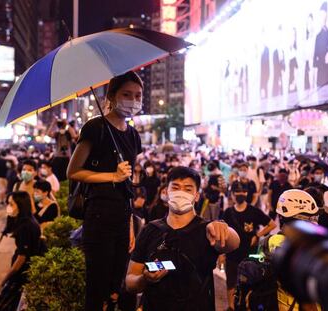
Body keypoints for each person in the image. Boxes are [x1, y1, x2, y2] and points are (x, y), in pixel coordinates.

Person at [67, 71, 143, 311]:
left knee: (117, 285)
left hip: (123, 215)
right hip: (99, 215)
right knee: (97, 286)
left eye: (138, 95)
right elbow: (73, 171)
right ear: (111, 96)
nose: (133, 100)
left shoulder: (132, 134)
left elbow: (129, 185)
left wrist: (130, 222)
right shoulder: (95, 127)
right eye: (126, 94)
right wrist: (112, 176)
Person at [125, 166, 240, 310]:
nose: (181, 193)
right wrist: (145, 279)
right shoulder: (150, 230)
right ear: (166, 192)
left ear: (196, 196)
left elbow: (234, 243)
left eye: (187, 189)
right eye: (176, 187)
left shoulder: (207, 230)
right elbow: (130, 281)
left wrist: (224, 229)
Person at [221, 181, 276, 310]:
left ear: (247, 193)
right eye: (237, 192)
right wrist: (222, 254)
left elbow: (272, 224)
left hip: (250, 255)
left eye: (243, 192)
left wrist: (258, 235)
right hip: (232, 255)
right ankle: (231, 307)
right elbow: (223, 234)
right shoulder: (228, 213)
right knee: (231, 284)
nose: (241, 194)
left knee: (251, 283)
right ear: (232, 195)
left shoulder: (254, 211)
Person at [0, 191, 42, 311]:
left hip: (21, 275)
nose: (8, 207)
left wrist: (6, 278)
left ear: (21, 205)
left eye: (11, 204)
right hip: (25, 273)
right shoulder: (28, 221)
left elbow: (21, 258)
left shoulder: (25, 226)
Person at [313, 1, 328, 87]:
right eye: (321, 16)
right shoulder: (318, 37)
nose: (322, 18)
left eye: (324, 15)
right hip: (320, 78)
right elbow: (315, 58)